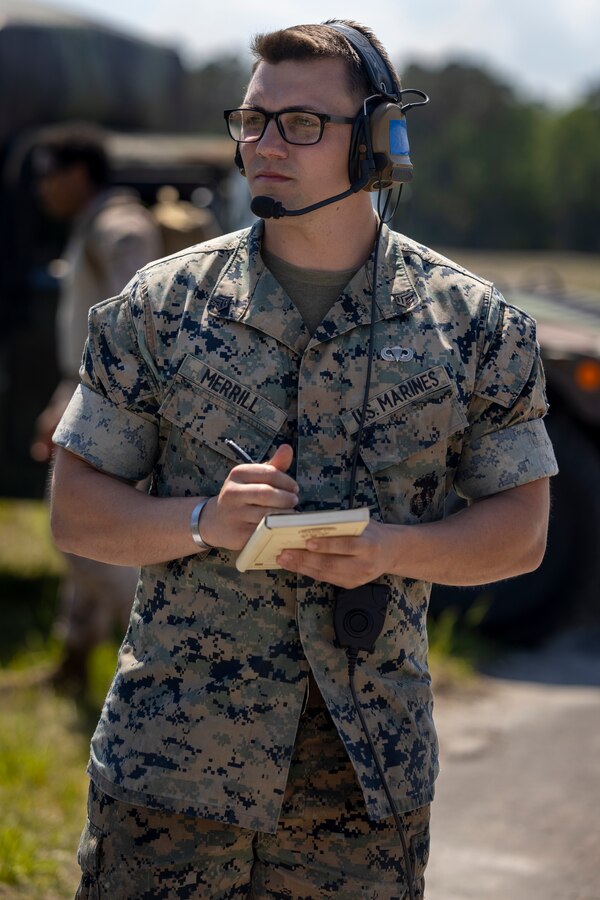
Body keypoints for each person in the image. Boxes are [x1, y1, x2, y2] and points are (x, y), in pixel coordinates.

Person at [50, 20, 558, 899]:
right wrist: (203, 522)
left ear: (375, 144)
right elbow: (76, 510)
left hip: (363, 790)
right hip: (169, 778)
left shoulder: (475, 327)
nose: (264, 145)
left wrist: (390, 550)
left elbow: (520, 531)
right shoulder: (159, 310)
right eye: (251, 121)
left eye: (302, 124)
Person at [32, 123, 162, 687]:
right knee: (81, 527)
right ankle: (75, 659)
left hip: (107, 398)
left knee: (85, 524)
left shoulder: (118, 224)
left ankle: (157, 659)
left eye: (49, 174)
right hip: (89, 389)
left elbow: (136, 309)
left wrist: (89, 396)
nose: (42, 189)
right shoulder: (93, 224)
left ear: (79, 174)